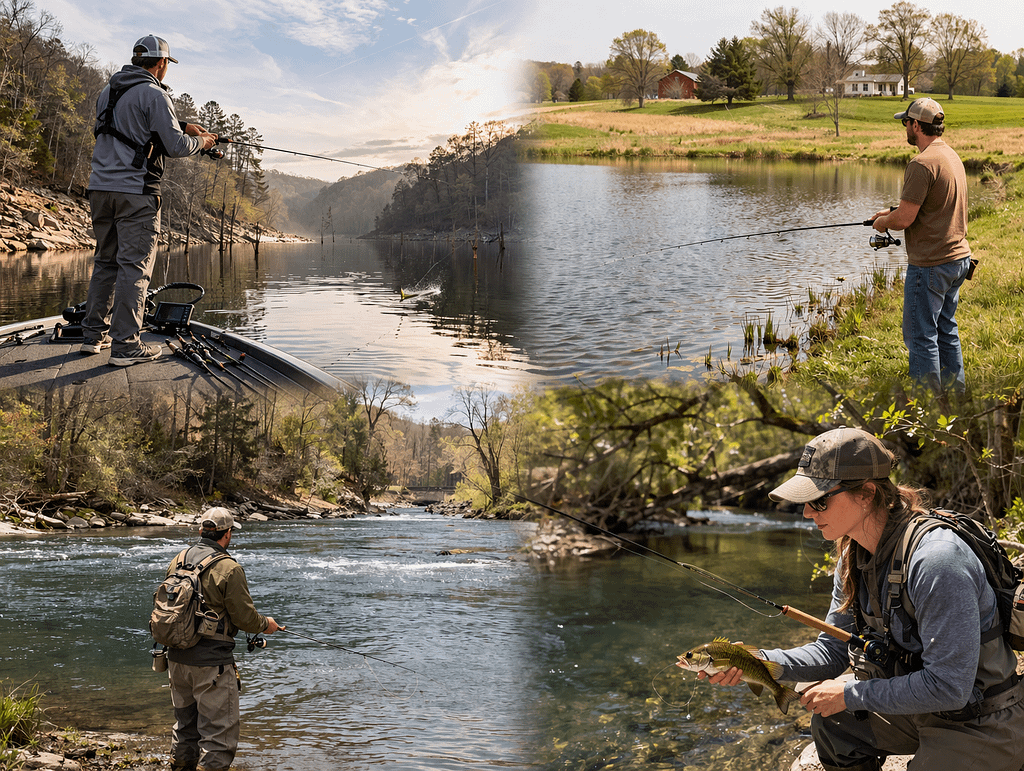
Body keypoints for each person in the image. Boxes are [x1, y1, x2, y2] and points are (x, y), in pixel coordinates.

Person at [701, 427, 1024, 771]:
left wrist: (848, 695)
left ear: (867, 493)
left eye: (819, 500)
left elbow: (949, 686)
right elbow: (831, 651)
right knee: (833, 726)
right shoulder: (852, 556)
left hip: (981, 718)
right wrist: (755, 661)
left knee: (843, 705)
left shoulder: (936, 561)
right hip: (923, 711)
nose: (807, 512)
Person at [81, 35, 216, 366]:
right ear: (161, 63)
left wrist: (183, 125)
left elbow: (127, 123)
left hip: (100, 190)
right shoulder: (155, 93)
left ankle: (93, 336)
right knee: (134, 268)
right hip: (136, 193)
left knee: (106, 262)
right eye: (167, 63)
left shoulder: (109, 90)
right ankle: (126, 346)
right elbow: (176, 147)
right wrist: (203, 142)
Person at [869, 98, 973, 394]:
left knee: (920, 337)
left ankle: (927, 407)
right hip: (958, 260)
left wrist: (884, 222)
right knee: (945, 330)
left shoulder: (921, 163)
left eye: (906, 122)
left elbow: (904, 219)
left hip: (931, 265)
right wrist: (890, 212)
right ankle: (955, 397)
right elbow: (931, 204)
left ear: (916, 125)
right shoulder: (950, 155)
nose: (905, 127)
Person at [165, 507, 281, 771]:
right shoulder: (229, 568)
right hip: (212, 665)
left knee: (185, 728)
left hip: (176, 660)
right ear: (227, 534)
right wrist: (267, 625)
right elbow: (245, 619)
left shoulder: (178, 560)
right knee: (218, 738)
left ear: (201, 531)